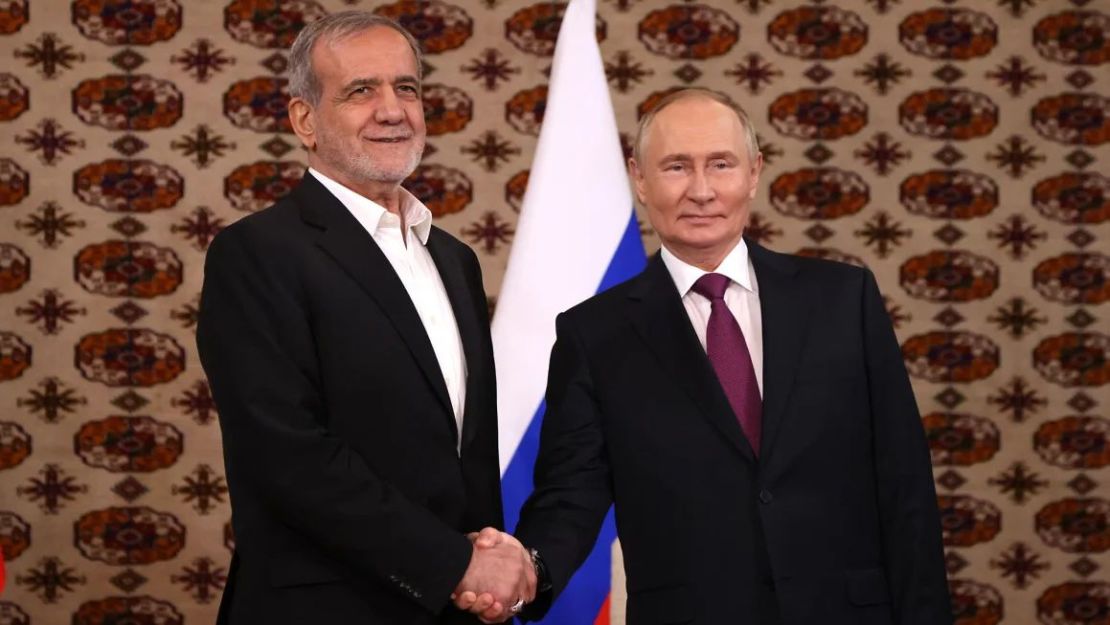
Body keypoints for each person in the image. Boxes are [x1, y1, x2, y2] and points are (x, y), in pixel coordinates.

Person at [459, 88, 951, 624]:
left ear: (754, 173)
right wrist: (527, 567)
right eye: (675, 167)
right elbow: (572, 494)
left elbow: (905, 491)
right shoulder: (594, 335)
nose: (701, 190)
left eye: (721, 164)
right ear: (640, 180)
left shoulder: (843, 301)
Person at [197, 12, 533, 624]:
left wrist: (483, 572)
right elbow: (288, 457)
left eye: (407, 87)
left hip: (455, 612)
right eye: (360, 91)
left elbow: (463, 459)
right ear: (304, 119)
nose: (392, 109)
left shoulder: (454, 260)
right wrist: (453, 565)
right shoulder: (257, 253)